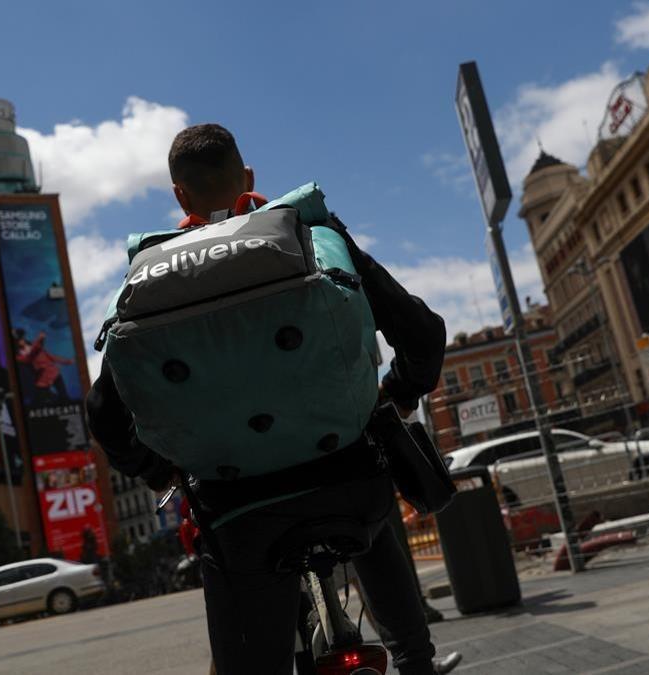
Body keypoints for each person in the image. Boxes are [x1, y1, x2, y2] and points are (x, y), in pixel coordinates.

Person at [88, 124, 460, 675]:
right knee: (372, 482)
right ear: (249, 178)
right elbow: (423, 334)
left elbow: (106, 418)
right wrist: (397, 394)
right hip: (350, 489)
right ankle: (415, 660)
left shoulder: (154, 273)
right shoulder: (307, 232)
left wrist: (160, 471)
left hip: (240, 515)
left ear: (179, 197)